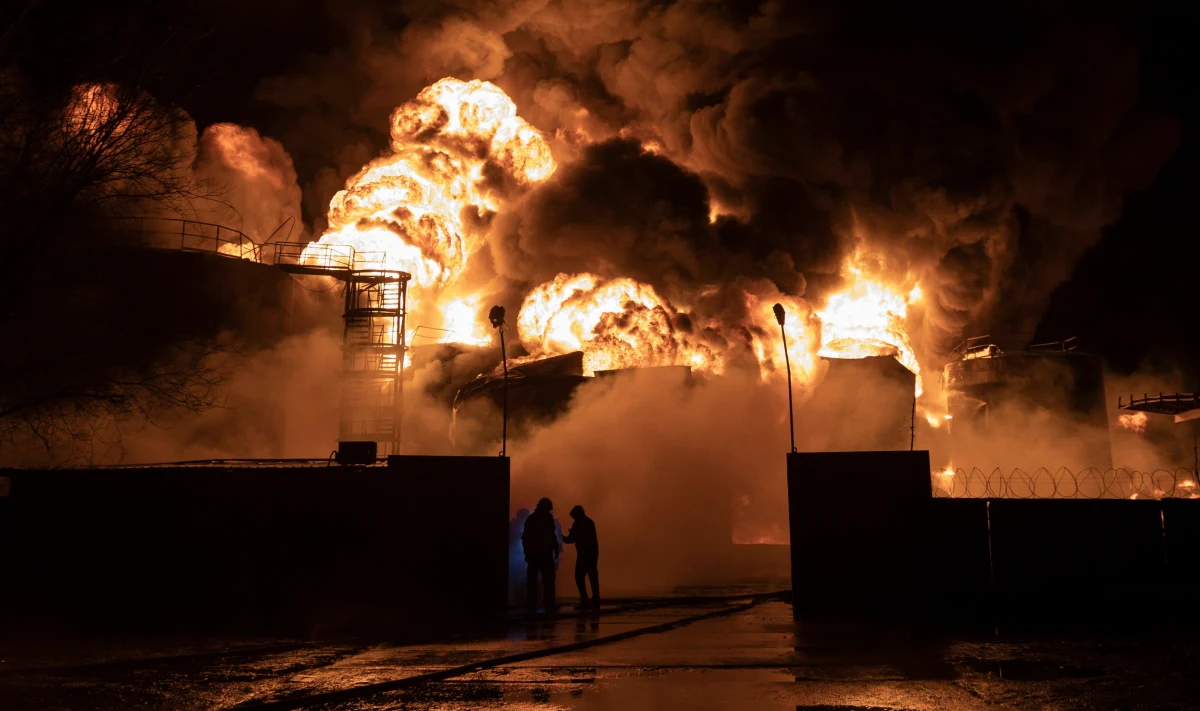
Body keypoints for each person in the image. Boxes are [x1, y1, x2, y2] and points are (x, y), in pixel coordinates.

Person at [521, 497, 559, 612]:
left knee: (534, 581)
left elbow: (526, 538)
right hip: (543, 555)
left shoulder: (532, 519)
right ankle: (547, 604)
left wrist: (527, 554)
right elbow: (551, 536)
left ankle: (533, 605)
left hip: (536, 555)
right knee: (547, 580)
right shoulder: (547, 519)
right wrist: (555, 548)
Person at [563, 505, 599, 609]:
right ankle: (595, 599)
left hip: (583, 554)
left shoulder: (578, 524)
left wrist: (559, 536)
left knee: (579, 577)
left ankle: (584, 600)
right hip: (593, 553)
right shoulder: (589, 522)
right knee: (592, 577)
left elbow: (570, 540)